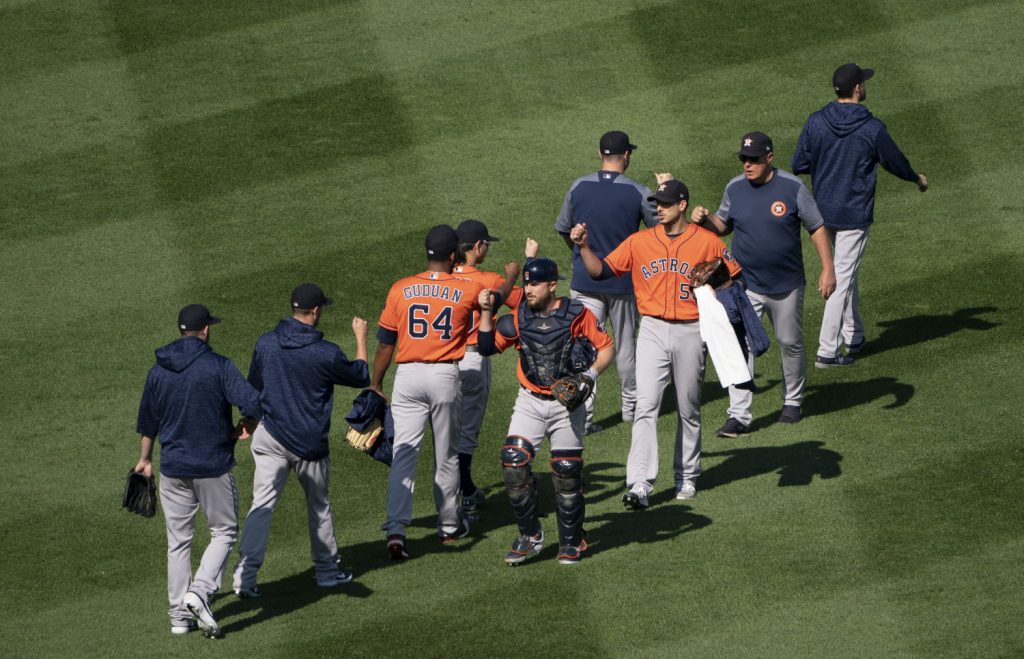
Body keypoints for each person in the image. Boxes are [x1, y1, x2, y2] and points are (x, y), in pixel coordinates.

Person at [570, 179, 741, 508]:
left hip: (691, 330)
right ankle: (640, 484)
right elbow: (600, 271)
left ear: (682, 205)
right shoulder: (640, 241)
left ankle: (687, 476)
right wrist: (585, 247)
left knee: (689, 407)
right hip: (650, 329)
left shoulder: (707, 242)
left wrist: (717, 288)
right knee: (645, 408)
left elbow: (733, 276)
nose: (658, 208)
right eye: (656, 204)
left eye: (665, 203)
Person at [691, 132, 836, 436]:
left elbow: (817, 227)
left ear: (769, 158)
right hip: (746, 285)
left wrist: (828, 269)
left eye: (754, 159)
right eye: (744, 158)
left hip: (787, 285)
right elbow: (723, 225)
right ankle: (739, 415)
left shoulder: (792, 187)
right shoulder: (735, 187)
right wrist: (705, 219)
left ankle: (793, 401)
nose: (747, 164)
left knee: (790, 343)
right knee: (740, 346)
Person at [232, 284, 369, 597]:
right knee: (318, 508)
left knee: (261, 507)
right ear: (317, 311)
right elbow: (360, 375)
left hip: (270, 437)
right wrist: (361, 337)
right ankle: (327, 572)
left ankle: (244, 577)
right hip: (308, 446)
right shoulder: (325, 352)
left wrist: (250, 421)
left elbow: (252, 390)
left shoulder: (266, 343)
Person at [134, 304, 261, 637]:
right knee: (225, 531)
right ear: (205, 330)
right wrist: (247, 423)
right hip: (212, 467)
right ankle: (201, 591)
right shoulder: (218, 366)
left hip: (172, 469)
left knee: (178, 543)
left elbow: (148, 423)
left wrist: (145, 460)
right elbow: (253, 401)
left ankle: (179, 617)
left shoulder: (157, 371)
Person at [476, 258, 614, 564]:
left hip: (566, 404)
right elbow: (486, 347)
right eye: (526, 284)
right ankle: (530, 536)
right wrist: (486, 313)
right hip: (530, 400)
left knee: (567, 472)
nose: (528, 290)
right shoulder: (518, 317)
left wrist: (589, 375)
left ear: (553, 284)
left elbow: (606, 348)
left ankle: (572, 541)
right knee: (513, 463)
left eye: (534, 284)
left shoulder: (577, 314)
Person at [792, 63, 928, 366]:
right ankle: (827, 350)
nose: (865, 86)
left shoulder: (816, 122)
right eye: (863, 82)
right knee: (840, 276)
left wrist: (828, 161)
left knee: (844, 272)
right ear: (857, 89)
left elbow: (799, 162)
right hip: (853, 214)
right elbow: (895, 162)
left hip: (821, 214)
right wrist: (916, 178)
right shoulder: (872, 128)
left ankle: (853, 336)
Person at [371, 225, 486, 561]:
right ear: (453, 256)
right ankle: (449, 526)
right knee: (446, 453)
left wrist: (376, 384)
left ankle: (396, 530)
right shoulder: (468, 288)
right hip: (445, 375)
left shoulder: (401, 288)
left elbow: (385, 344)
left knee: (403, 454)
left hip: (407, 376)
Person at [555, 130, 659, 432]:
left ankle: (584, 419)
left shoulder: (578, 186)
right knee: (626, 347)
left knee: (585, 349)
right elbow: (659, 231)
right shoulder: (639, 191)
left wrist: (582, 254)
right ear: (625, 156)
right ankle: (631, 410)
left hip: (585, 281)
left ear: (601, 154)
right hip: (624, 284)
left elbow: (564, 229)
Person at [452, 219, 536, 513]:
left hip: (440, 361)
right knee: (467, 431)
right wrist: (525, 266)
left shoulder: (442, 275)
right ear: (476, 247)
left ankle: (458, 489)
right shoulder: (487, 279)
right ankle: (463, 491)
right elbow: (526, 299)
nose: (487, 247)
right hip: (473, 358)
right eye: (486, 243)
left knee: (445, 430)